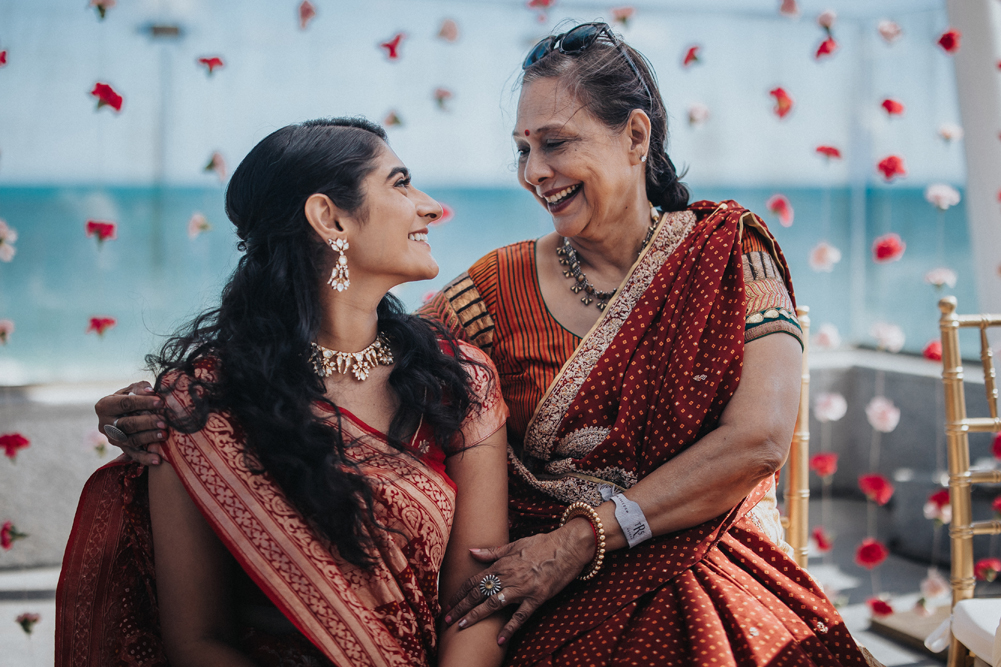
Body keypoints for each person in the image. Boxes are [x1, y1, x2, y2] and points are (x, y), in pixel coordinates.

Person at [94, 24, 880, 667]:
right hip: (545, 601)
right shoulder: (492, 290)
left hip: (705, 562)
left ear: (634, 135)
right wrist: (182, 402)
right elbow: (345, 344)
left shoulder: (728, 255)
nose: (533, 171)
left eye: (555, 143)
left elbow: (758, 440)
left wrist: (582, 539)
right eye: (521, 149)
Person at [57, 118, 511, 667]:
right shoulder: (203, 407)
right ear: (329, 217)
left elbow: (477, 603)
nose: (431, 206)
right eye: (400, 184)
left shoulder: (457, 380)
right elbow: (197, 640)